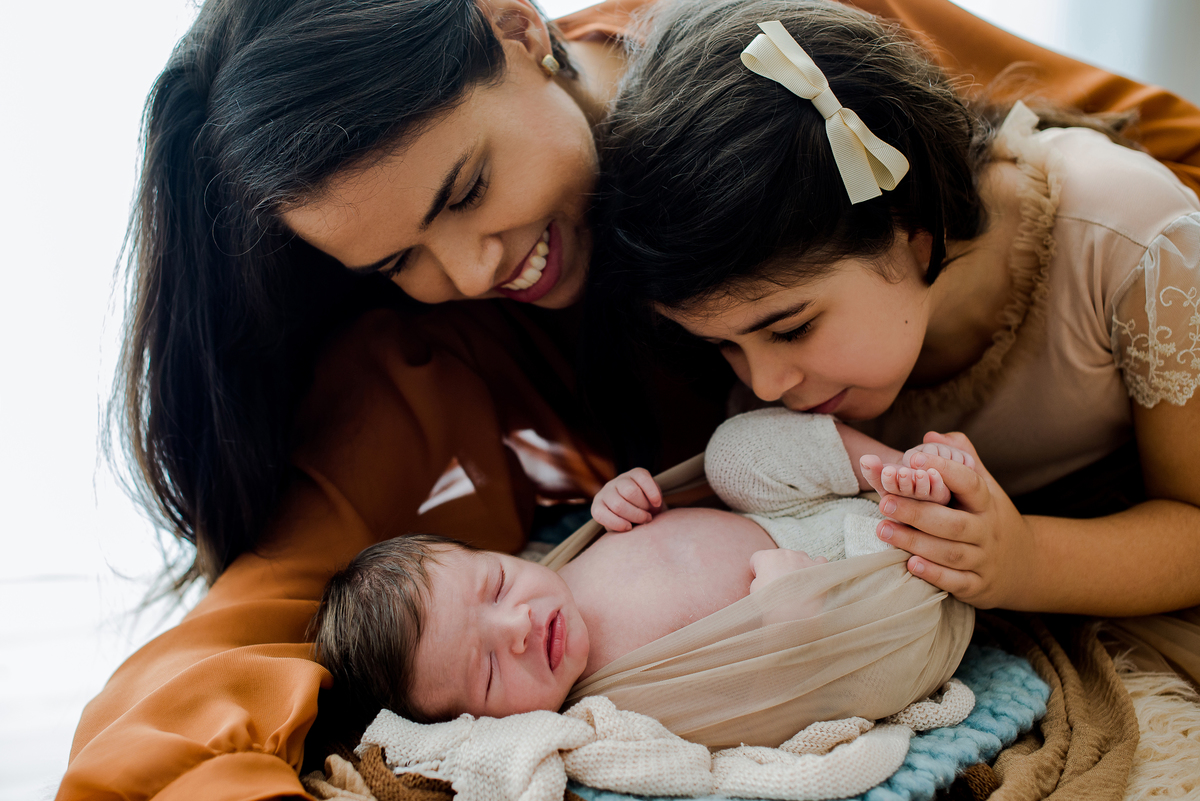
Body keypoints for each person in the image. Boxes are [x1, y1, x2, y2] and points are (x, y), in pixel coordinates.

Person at [61, 0, 1200, 796]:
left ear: (516, 26)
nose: (466, 274)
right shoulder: (438, 341)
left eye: (467, 189)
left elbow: (1143, 167)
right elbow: (260, 613)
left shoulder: (792, 60)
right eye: (394, 259)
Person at [588, 0, 1200, 669]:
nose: (762, 385)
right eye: (724, 346)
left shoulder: (1134, 243)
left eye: (790, 329)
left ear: (914, 235)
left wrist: (1023, 559)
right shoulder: (789, 352)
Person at [312, 409, 974, 748]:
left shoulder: (560, 566)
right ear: (474, 724)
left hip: (798, 514)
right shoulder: (608, 712)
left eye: (496, 586)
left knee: (733, 451)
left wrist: (626, 499)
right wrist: (788, 610)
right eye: (487, 670)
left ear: (500, 555)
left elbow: (669, 511)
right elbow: (751, 708)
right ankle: (939, 525)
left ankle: (902, 473)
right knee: (889, 647)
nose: (515, 627)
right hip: (855, 601)